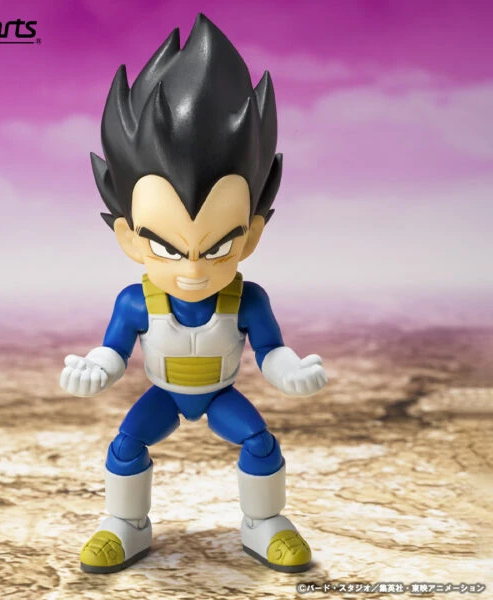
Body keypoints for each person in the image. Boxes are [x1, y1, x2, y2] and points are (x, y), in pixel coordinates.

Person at [60, 13, 327, 574]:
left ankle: (264, 522)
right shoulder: (137, 302)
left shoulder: (247, 300)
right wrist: (95, 370)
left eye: (218, 246)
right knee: (126, 445)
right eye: (167, 248)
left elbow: (271, 350)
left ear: (251, 235)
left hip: (219, 394)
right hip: (165, 394)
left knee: (259, 443)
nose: (193, 269)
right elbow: (113, 351)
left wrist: (290, 372)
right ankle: (125, 523)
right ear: (129, 238)